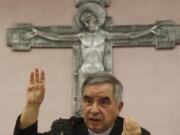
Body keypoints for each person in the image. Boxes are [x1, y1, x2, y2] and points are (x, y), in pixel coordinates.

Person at [13, 68, 151, 135]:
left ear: (119, 107)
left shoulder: (135, 133)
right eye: (88, 101)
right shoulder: (67, 130)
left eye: (104, 102)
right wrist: (33, 105)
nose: (94, 110)